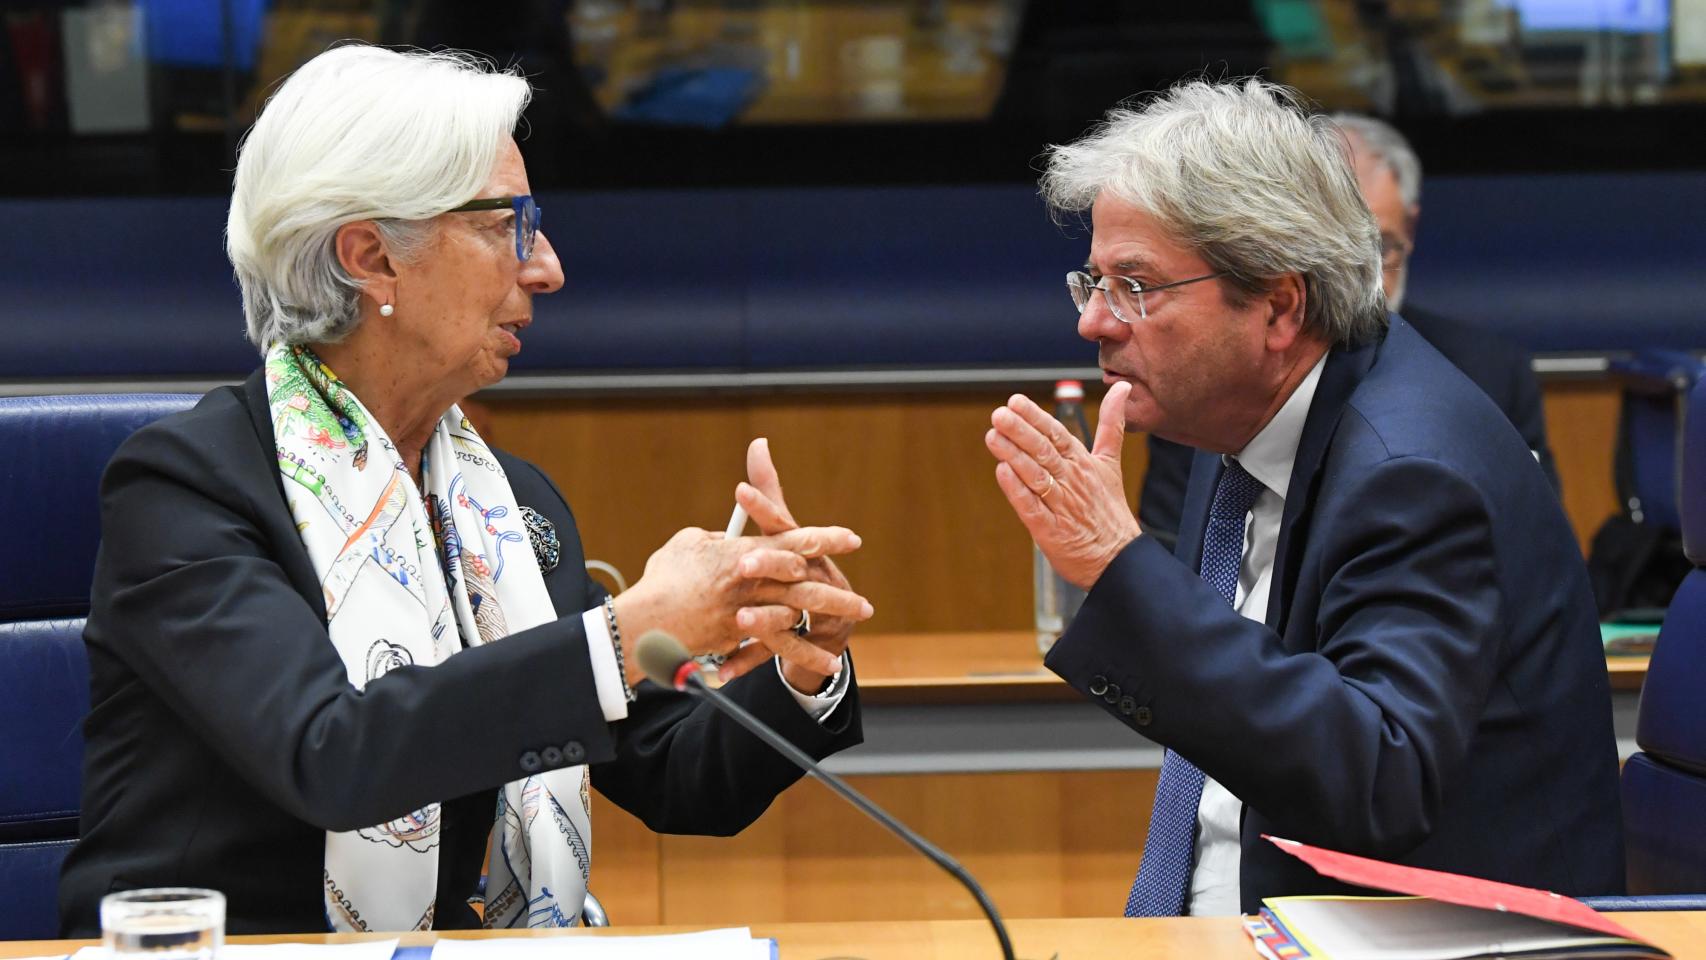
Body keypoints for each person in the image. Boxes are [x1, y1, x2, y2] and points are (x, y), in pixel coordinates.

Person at [59, 44, 874, 936]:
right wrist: (626, 629)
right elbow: (332, 752)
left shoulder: (505, 506)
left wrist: (802, 669)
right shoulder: (185, 490)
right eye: (506, 225)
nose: (546, 266)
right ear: (372, 257)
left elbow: (672, 771)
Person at [984, 79, 1623, 916]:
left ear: (1279, 307)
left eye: (1135, 286)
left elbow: (1381, 780)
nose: (1094, 322)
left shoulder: (1411, 471)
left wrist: (1122, 567)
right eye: (1093, 281)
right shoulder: (1234, 415)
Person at [1138, 113, 1560, 550]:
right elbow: (1171, 555)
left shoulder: (1490, 374)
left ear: (1410, 228)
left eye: (1378, 247)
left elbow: (1531, 544)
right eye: (1330, 252)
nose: (1357, 278)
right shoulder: (1205, 378)